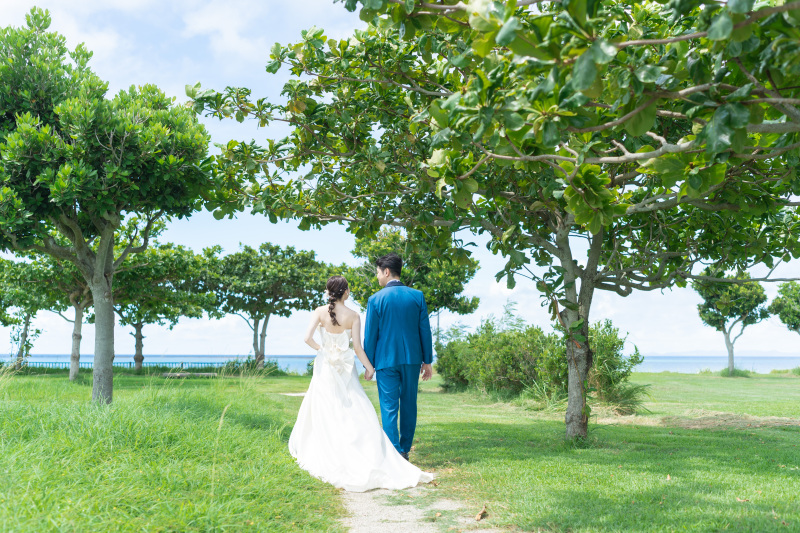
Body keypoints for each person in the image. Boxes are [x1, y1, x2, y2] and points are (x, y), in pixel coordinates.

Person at [288, 275, 433, 492]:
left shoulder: (320, 312)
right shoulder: (354, 316)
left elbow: (307, 338)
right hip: (351, 367)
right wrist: (369, 367)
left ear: (328, 292)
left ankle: (335, 448)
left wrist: (324, 351)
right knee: (353, 406)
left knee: (325, 406)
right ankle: (397, 451)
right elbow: (357, 348)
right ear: (345, 292)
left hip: (326, 366)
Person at [364, 253, 433, 461]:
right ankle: (405, 450)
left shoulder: (375, 299)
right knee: (410, 403)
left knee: (388, 406)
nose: (377, 277)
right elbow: (425, 330)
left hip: (385, 360)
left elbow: (370, 336)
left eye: (377, 273)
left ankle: (394, 453)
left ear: (386, 272)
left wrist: (369, 365)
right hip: (412, 359)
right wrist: (427, 360)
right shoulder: (417, 296)